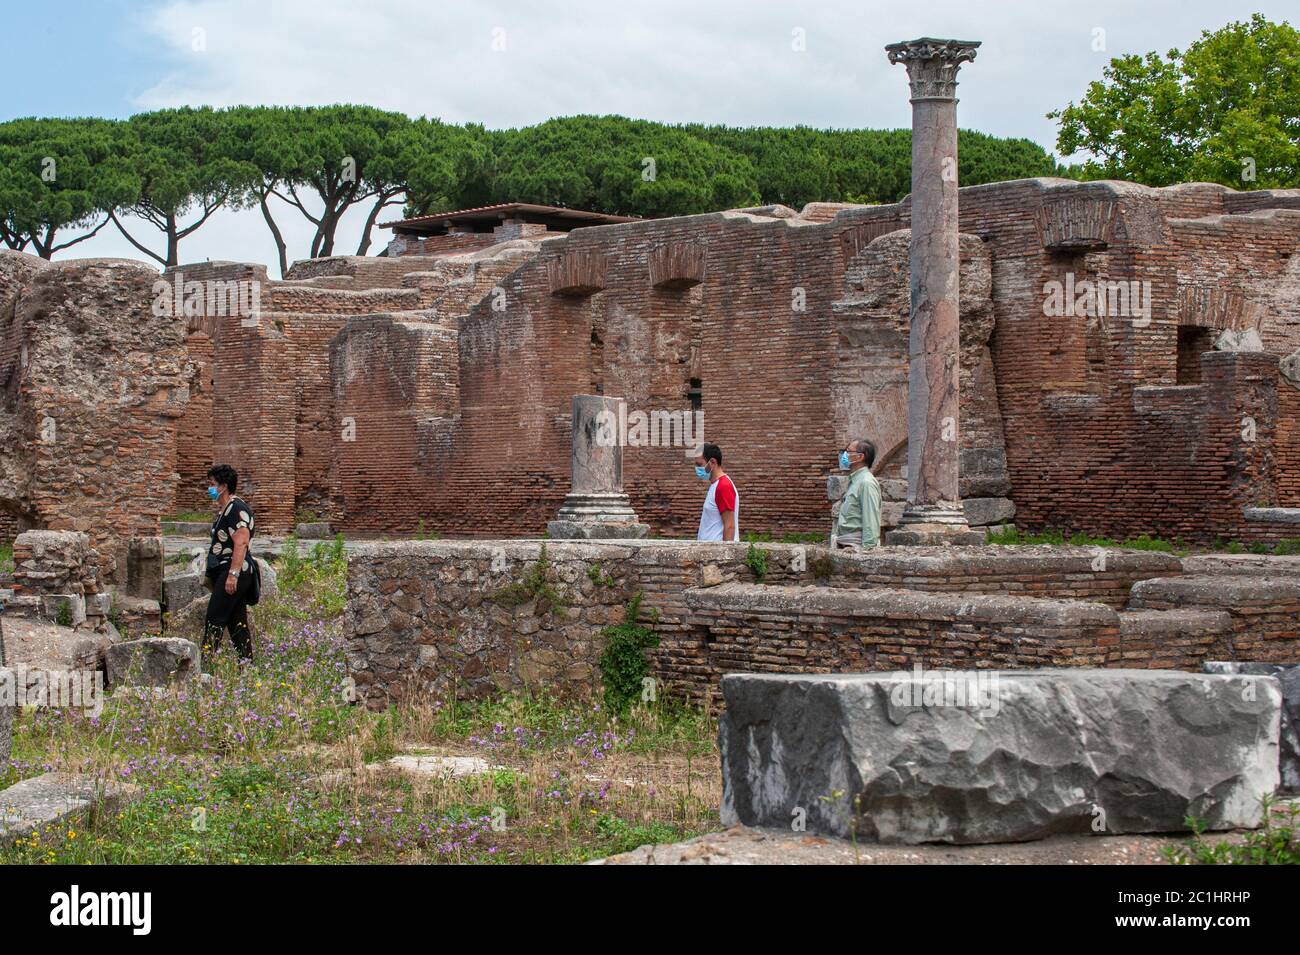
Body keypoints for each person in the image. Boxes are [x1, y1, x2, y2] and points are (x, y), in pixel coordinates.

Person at [203, 464, 257, 660]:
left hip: (234, 571)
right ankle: (247, 665)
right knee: (236, 622)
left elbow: (241, 543)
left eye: (212, 484)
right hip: (229, 570)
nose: (209, 489)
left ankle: (205, 665)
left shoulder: (236, 508)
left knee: (214, 618)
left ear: (223, 486)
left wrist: (232, 575)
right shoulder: (225, 509)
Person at [832, 438, 881, 549]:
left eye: (848, 451)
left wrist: (867, 551)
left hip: (856, 547)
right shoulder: (855, 481)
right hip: (846, 546)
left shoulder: (866, 483)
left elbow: (871, 520)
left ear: (860, 457)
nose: (844, 455)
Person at [695, 443, 740, 542]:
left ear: (712, 462)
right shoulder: (715, 485)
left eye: (699, 465)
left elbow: (730, 526)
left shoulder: (723, 486)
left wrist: (725, 555)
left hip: (717, 555)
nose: (697, 469)